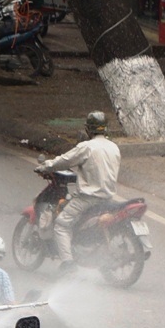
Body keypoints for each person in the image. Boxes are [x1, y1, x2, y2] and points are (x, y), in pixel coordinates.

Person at [36, 111, 121, 268]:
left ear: (88, 129)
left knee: (61, 224)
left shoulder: (86, 147)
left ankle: (67, 262)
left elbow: (65, 160)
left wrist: (46, 166)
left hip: (87, 199)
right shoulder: (114, 147)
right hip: (108, 198)